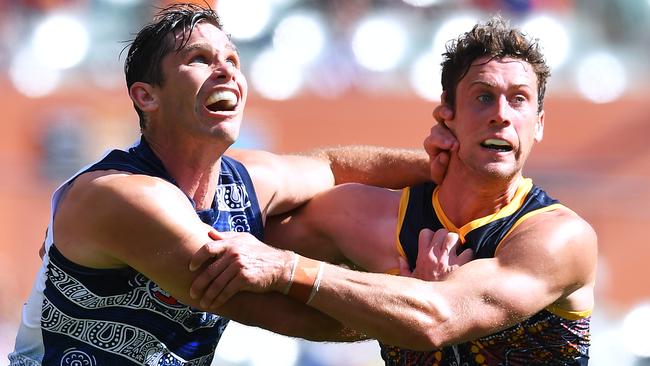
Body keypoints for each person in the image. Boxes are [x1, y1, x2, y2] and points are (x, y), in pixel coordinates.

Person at [7, 4, 439, 365]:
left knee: (342, 207)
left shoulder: (242, 181)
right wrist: (405, 315)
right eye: (199, 59)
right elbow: (277, 312)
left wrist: (449, 167)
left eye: (232, 60)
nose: (226, 72)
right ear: (146, 96)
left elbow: (330, 166)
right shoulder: (122, 195)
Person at [189, 15, 597, 365]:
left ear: (539, 124)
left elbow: (438, 318)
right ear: (447, 115)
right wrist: (391, 305)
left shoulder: (559, 238)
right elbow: (231, 258)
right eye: (484, 97)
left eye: (519, 100)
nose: (502, 116)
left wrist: (289, 269)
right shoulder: (366, 216)